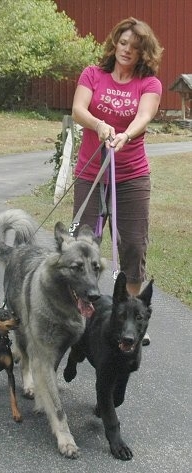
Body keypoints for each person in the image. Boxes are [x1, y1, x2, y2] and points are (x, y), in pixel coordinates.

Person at [71, 17, 163, 345]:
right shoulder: (92, 74)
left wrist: (125, 134)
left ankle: (131, 317)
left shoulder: (149, 83)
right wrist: (98, 124)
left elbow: (145, 115)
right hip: (90, 173)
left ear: (143, 53)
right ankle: (82, 313)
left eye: (135, 47)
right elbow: (78, 109)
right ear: (115, 44)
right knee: (83, 245)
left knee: (134, 246)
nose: (127, 50)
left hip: (132, 176)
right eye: (123, 43)